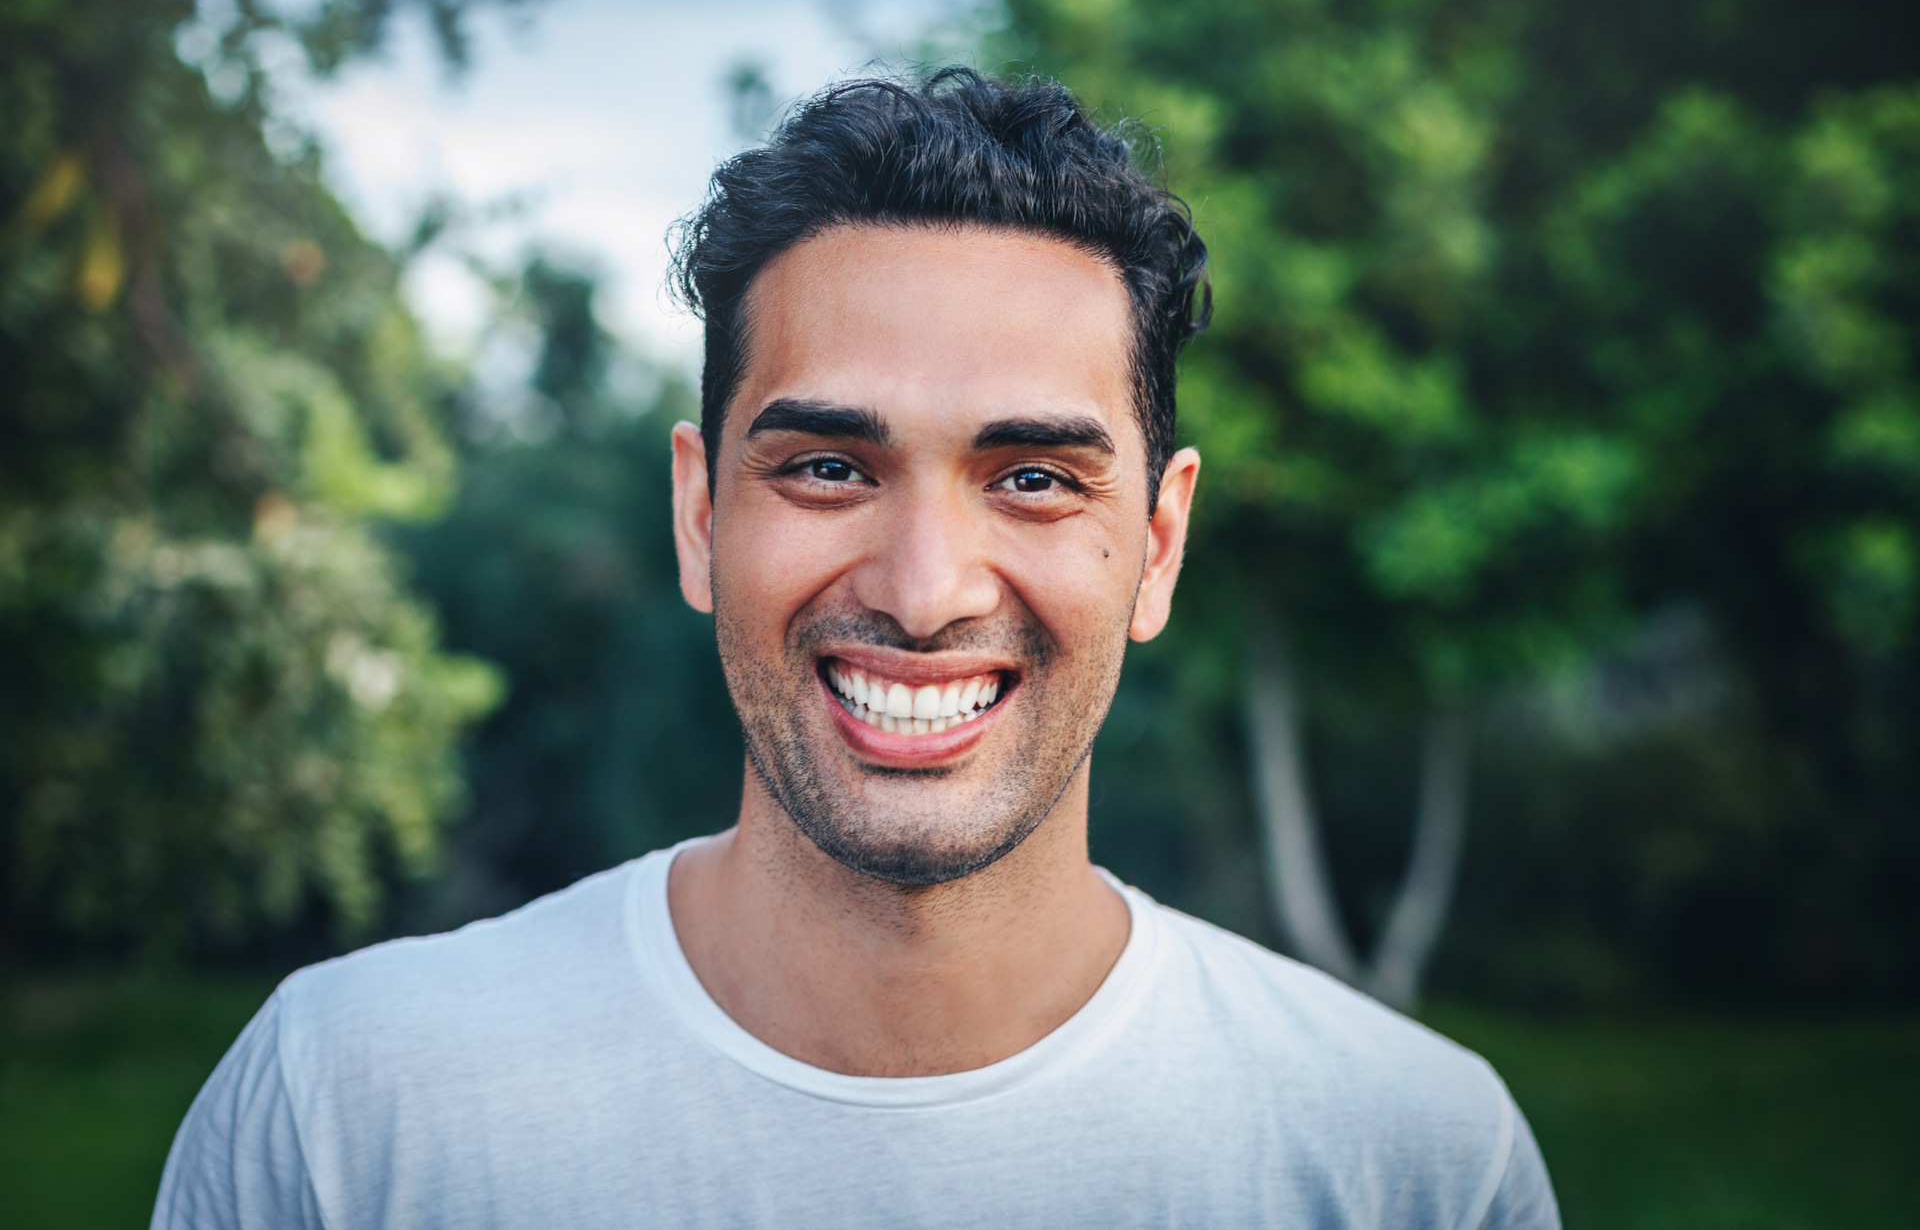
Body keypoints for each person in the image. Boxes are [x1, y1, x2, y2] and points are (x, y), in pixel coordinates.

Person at [153, 69, 1559, 1230]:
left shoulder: (1414, 1167)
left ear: (1160, 545)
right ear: (701, 517)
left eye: (1033, 479)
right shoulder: (346, 1118)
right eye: (828, 468)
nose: (928, 589)